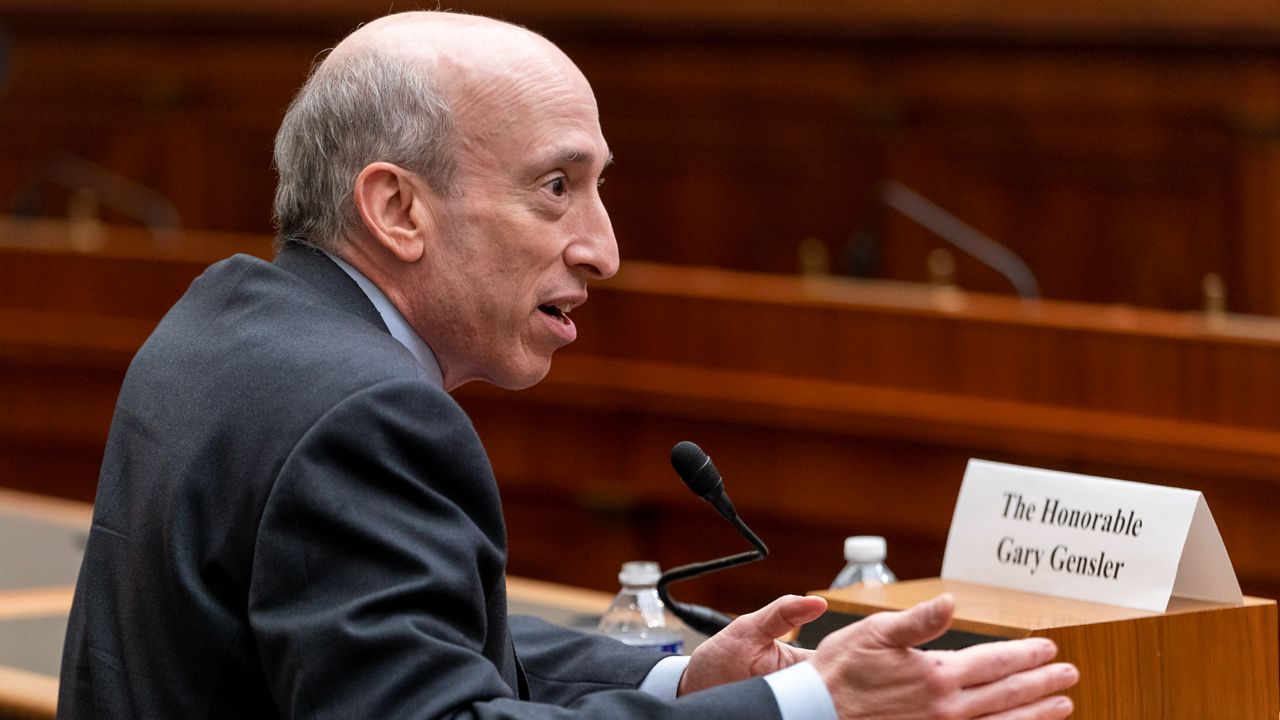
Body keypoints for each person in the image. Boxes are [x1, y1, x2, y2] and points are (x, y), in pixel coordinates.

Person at [58, 11, 1078, 720]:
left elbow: (392, 642)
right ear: (396, 209)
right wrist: (811, 701)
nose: (602, 249)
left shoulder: (225, 325)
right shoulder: (361, 414)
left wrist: (678, 678)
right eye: (555, 187)